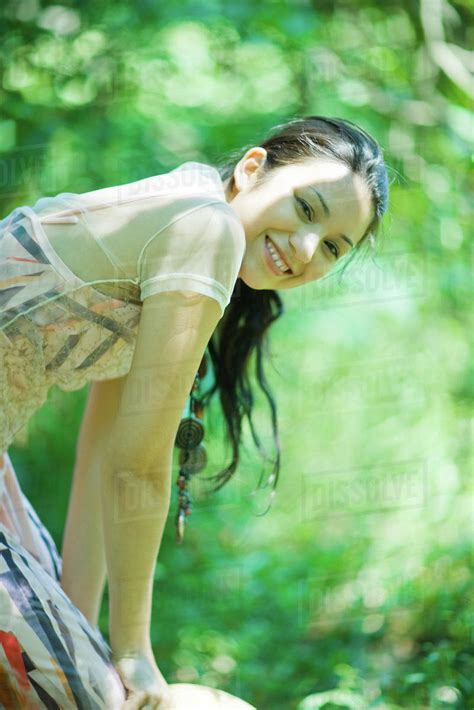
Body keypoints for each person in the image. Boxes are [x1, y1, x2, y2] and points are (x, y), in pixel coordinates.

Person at [0, 116, 389, 707]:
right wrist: (131, 651)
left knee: (89, 686)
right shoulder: (204, 227)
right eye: (306, 209)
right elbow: (138, 467)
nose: (308, 249)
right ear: (253, 168)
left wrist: (84, 626)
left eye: (333, 246)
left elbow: (106, 452)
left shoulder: (184, 214)